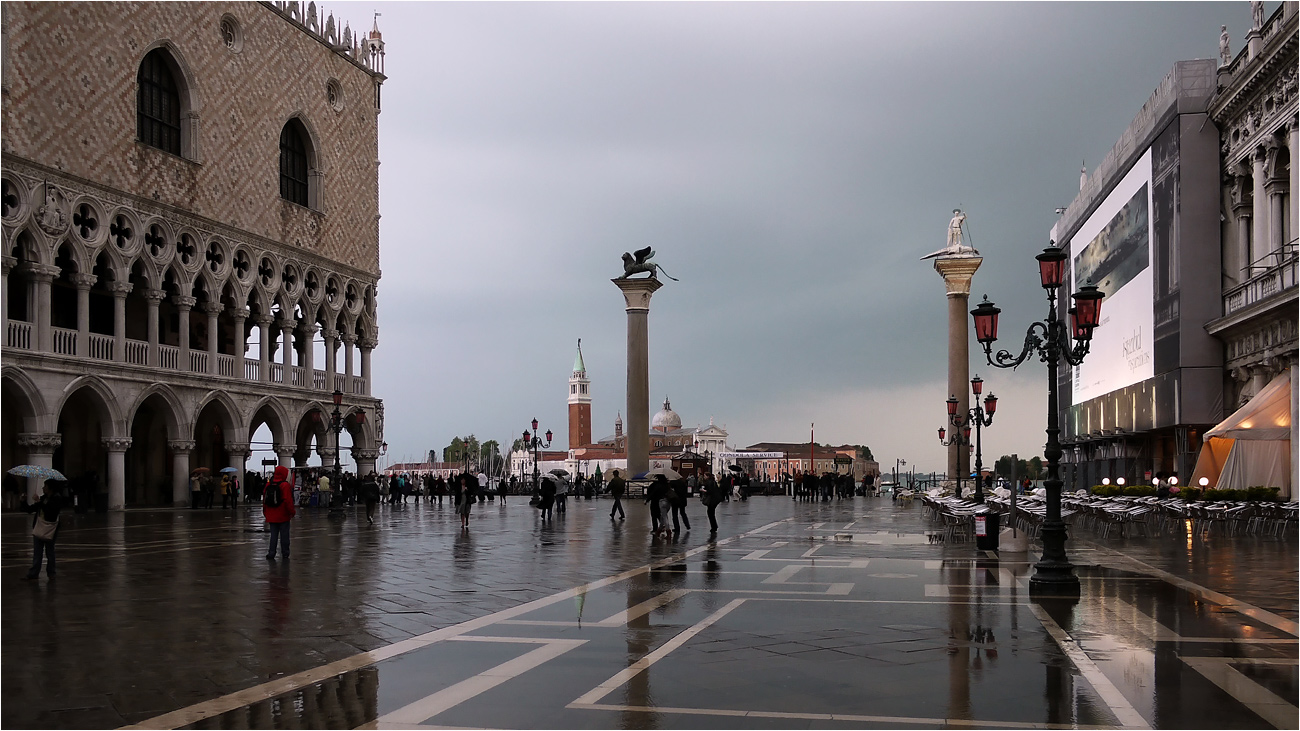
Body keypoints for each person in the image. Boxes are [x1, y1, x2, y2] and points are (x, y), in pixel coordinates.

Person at [21, 483, 64, 580]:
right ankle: (34, 573)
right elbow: (31, 509)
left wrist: (39, 502)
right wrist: (23, 502)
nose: (43, 487)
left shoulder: (56, 499)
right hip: (40, 526)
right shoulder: (44, 498)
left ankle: (51, 572)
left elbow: (51, 511)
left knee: (50, 551)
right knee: (37, 552)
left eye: (45, 486)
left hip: (50, 528)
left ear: (50, 488)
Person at [263, 465, 296, 560]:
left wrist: (265, 512)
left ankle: (271, 553)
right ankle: (285, 553)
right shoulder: (285, 485)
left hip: (271, 514)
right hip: (283, 514)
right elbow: (287, 501)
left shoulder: (269, 484)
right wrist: (292, 512)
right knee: (284, 535)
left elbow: (265, 499)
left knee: (273, 535)